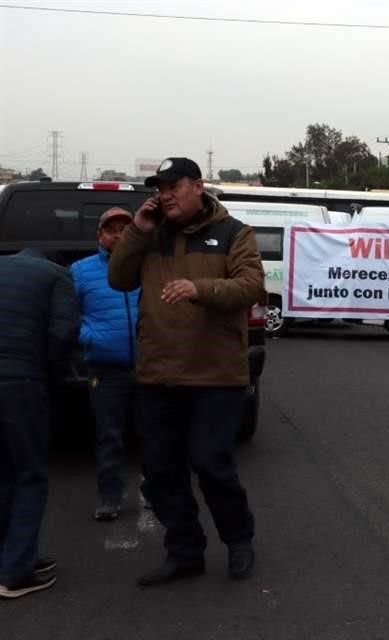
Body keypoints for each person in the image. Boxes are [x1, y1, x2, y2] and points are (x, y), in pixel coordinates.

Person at [108, 157, 265, 587]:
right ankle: (184, 551)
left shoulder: (234, 233)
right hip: (158, 374)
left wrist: (200, 288)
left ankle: (238, 539)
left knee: (210, 462)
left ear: (197, 186)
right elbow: (118, 279)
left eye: (174, 185)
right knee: (160, 471)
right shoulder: (150, 233)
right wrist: (137, 230)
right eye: (160, 187)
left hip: (215, 375)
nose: (165, 194)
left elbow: (251, 286)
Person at [0, 249, 79, 599]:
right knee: (29, 475)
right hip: (21, 384)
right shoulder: (58, 276)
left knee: (2, 474)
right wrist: (51, 375)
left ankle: (11, 556)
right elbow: (63, 332)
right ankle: (15, 573)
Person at [70, 208, 143, 521]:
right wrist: (90, 337)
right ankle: (109, 497)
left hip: (149, 367)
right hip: (104, 368)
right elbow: (68, 315)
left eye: (124, 229)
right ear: (99, 235)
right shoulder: (80, 271)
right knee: (109, 435)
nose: (117, 234)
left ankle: (156, 491)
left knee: (153, 433)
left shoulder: (147, 266)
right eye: (110, 229)